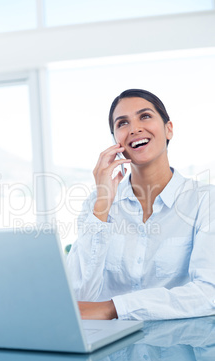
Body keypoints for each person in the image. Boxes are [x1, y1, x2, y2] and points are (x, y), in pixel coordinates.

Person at [67, 89, 215, 321]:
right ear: (116, 141)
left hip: (177, 348)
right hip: (108, 351)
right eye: (122, 123)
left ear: (169, 129)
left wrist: (113, 308)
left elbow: (209, 293)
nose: (134, 128)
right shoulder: (97, 204)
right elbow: (80, 297)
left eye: (145, 116)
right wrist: (102, 205)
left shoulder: (205, 201)